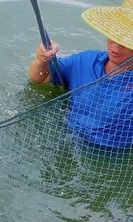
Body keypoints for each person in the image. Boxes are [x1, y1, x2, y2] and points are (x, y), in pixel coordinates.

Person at [28, 0, 133, 148]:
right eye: (115, 35)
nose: (116, 45)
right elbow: (40, 78)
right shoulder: (85, 60)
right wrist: (41, 59)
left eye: (127, 40)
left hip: (109, 158)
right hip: (65, 141)